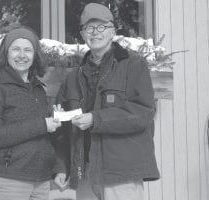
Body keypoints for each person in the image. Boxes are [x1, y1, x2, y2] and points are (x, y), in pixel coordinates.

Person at [54, 3, 160, 200]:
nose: (95, 33)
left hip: (121, 174)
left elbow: (143, 112)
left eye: (101, 27)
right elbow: (61, 128)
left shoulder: (134, 65)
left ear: (112, 32)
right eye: (89, 28)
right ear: (83, 34)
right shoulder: (72, 78)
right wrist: (61, 167)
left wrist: (96, 119)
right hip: (85, 174)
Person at [0, 26, 62, 200]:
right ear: (6, 54)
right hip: (8, 180)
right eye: (16, 49)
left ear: (34, 55)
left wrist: (57, 168)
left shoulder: (38, 89)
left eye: (27, 50)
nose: (22, 55)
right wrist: (42, 124)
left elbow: (44, 138)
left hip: (40, 182)